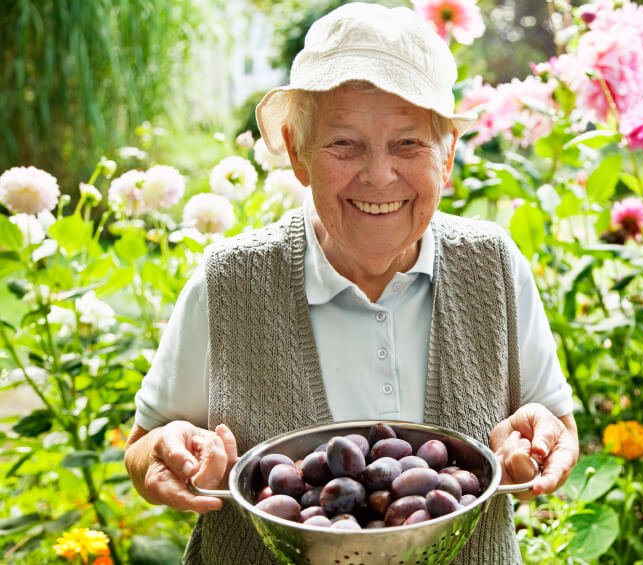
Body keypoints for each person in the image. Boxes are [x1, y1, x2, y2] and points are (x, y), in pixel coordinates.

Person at [124, 3, 579, 563]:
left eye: (409, 143)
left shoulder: (493, 265)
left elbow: (555, 423)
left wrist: (543, 441)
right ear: (298, 154)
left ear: (447, 157)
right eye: (344, 144)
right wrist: (165, 458)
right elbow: (144, 447)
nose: (380, 175)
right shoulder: (230, 280)